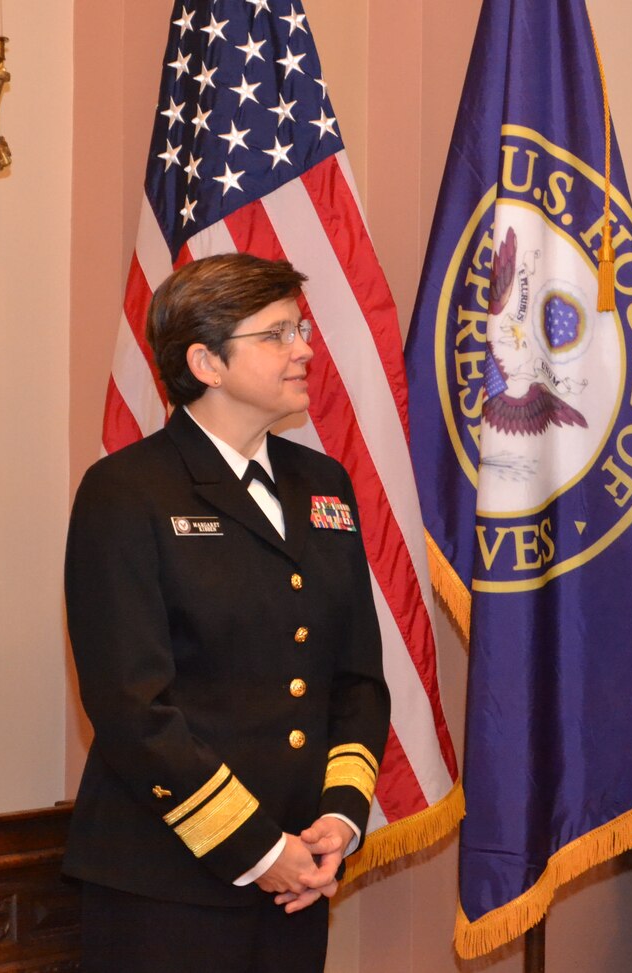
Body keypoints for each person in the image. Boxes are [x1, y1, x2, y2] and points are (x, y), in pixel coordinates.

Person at [63, 253, 389, 973]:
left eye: (299, 328)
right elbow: (131, 706)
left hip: (298, 879)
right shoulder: (127, 491)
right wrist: (258, 848)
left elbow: (357, 677)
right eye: (276, 334)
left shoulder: (322, 484)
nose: (304, 348)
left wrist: (337, 818)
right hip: (166, 884)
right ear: (205, 362)